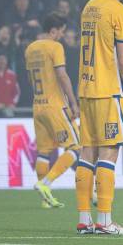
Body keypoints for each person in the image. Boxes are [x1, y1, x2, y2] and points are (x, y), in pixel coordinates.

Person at [75, 0, 123, 235]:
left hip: (86, 90)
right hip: (108, 90)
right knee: (109, 153)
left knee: (86, 153)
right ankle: (104, 220)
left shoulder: (90, 6)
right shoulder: (119, 11)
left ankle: (84, 219)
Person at [25, 13, 80, 208]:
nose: (62, 36)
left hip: (37, 105)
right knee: (76, 147)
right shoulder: (55, 47)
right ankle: (45, 184)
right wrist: (73, 103)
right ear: (53, 30)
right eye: (61, 32)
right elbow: (62, 75)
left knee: (44, 151)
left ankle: (45, 201)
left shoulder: (30, 48)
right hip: (55, 105)